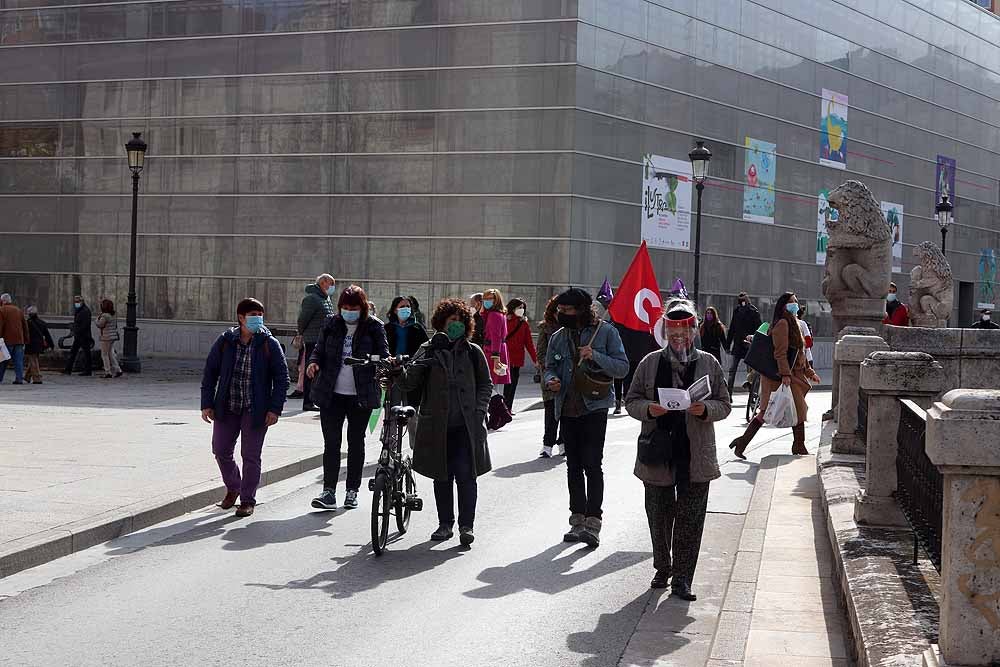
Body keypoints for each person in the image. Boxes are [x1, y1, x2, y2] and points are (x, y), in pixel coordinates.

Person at [625, 301, 732, 599]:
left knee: (690, 519)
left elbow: (724, 404)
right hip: (657, 453)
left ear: (694, 331)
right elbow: (630, 400)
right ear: (665, 332)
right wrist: (649, 408)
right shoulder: (649, 363)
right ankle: (663, 565)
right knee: (658, 516)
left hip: (695, 456)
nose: (679, 339)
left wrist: (704, 409)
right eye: (673, 333)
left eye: (685, 332)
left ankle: (683, 578)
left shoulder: (709, 363)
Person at [397, 298, 493, 545]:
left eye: (461, 321)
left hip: (466, 426)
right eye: (452, 321)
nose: (456, 325)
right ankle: (445, 524)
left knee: (466, 475)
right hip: (437, 426)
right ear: (441, 322)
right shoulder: (428, 349)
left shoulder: (473, 352)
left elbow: (486, 384)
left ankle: (466, 526)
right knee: (442, 476)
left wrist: (480, 411)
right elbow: (410, 381)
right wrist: (401, 370)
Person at [544, 287, 629, 548]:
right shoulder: (558, 337)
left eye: (567, 310)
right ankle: (576, 520)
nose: (562, 314)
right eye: (560, 311)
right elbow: (549, 367)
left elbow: (623, 367)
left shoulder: (606, 332)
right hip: (567, 408)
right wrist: (552, 381)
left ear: (581, 310)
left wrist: (596, 356)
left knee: (592, 464)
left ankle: (593, 523)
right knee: (573, 467)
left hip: (595, 407)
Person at [200, 297, 288, 518]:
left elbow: (282, 378)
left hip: (255, 409)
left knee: (250, 455)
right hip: (227, 406)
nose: (258, 319)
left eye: (260, 315)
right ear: (241, 317)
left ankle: (247, 500)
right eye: (253, 315)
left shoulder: (269, 343)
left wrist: (275, 409)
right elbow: (210, 372)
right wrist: (207, 403)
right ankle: (234, 486)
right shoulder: (225, 341)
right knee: (220, 450)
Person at [307, 285, 389, 511]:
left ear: (362, 308)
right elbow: (319, 350)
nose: (348, 312)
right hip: (331, 393)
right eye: (344, 307)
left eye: (353, 308)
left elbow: (384, 355)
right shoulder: (331, 324)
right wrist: (314, 363)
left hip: (360, 395)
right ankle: (329, 491)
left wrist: (376, 363)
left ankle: (352, 490)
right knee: (331, 443)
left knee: (355, 442)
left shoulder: (374, 327)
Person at [729, 292, 821, 459]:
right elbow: (780, 352)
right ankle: (798, 445)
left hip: (790, 374)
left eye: (796, 301)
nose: (795, 304)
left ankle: (742, 443)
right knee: (793, 409)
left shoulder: (794, 323)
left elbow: (799, 351)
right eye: (792, 302)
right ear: (784, 305)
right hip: (781, 376)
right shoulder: (783, 324)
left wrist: (809, 371)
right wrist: (785, 374)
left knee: (769, 412)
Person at [384, 296, 430, 417]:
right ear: (395, 310)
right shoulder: (387, 328)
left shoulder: (417, 328)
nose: (406, 309)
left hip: (411, 372)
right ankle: (390, 436)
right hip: (392, 370)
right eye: (402, 306)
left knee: (412, 410)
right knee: (391, 410)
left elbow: (426, 348)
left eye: (408, 306)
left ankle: (414, 436)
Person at [296, 274, 336, 411]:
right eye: (331, 283)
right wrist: (301, 333)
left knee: (320, 371)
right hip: (313, 339)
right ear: (323, 282)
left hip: (325, 339)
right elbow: (303, 319)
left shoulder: (326, 298)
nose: (332, 287)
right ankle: (308, 401)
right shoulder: (312, 299)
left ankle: (317, 398)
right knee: (311, 370)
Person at [537, 296, 564, 458]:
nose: (559, 314)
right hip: (550, 376)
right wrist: (547, 368)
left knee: (566, 414)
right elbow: (540, 351)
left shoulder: (572, 329)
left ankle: (563, 443)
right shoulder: (545, 328)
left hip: (567, 377)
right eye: (557, 311)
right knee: (551, 412)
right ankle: (547, 444)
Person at [502, 298, 537, 411]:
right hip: (505, 357)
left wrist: (535, 359)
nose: (521, 310)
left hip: (517, 358)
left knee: (513, 383)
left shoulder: (523, 324)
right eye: (519, 308)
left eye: (523, 308)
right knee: (505, 384)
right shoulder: (505, 321)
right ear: (512, 308)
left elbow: (529, 343)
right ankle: (503, 408)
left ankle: (508, 407)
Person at [725, 292, 761, 395]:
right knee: (732, 371)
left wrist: (756, 343)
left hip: (749, 345)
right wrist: (728, 345)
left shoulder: (754, 312)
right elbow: (732, 328)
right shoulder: (737, 311)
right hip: (738, 345)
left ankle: (752, 393)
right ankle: (729, 394)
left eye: (743, 300)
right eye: (740, 300)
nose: (742, 302)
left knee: (750, 373)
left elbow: (759, 329)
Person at [481, 289, 510, 387]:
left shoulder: (494, 315)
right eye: (484, 299)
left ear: (496, 300)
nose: (486, 301)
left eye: (489, 298)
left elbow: (496, 336)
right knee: (495, 383)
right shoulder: (497, 314)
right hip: (496, 350)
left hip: (493, 351)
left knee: (492, 383)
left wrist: (496, 357)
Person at [0, 293, 29, 385]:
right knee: (18, 361)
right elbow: (25, 326)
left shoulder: (1, 310)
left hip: (6, 340)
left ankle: (0, 378)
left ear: (2, 301)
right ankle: (19, 379)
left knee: (3, 360)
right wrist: (26, 339)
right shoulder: (18, 310)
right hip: (19, 340)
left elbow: (0, 326)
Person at [62, 295, 94, 376]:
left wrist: (77, 330)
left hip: (83, 336)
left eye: (77, 302)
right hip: (79, 335)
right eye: (75, 302)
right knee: (74, 352)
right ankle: (68, 369)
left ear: (82, 302)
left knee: (85, 353)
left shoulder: (85, 311)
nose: (76, 303)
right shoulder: (80, 310)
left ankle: (87, 370)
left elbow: (85, 325)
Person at [24, 306, 54, 384]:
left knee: (33, 361)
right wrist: (51, 345)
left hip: (30, 345)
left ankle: (37, 378)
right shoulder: (42, 322)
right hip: (40, 345)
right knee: (33, 360)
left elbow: (25, 334)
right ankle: (27, 377)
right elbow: (47, 335)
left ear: (29, 314)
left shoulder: (27, 323)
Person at [95, 299, 123, 379]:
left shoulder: (104, 316)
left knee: (104, 355)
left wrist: (96, 319)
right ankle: (118, 370)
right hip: (112, 337)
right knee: (110, 354)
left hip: (106, 337)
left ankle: (108, 372)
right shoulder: (113, 315)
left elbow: (100, 325)